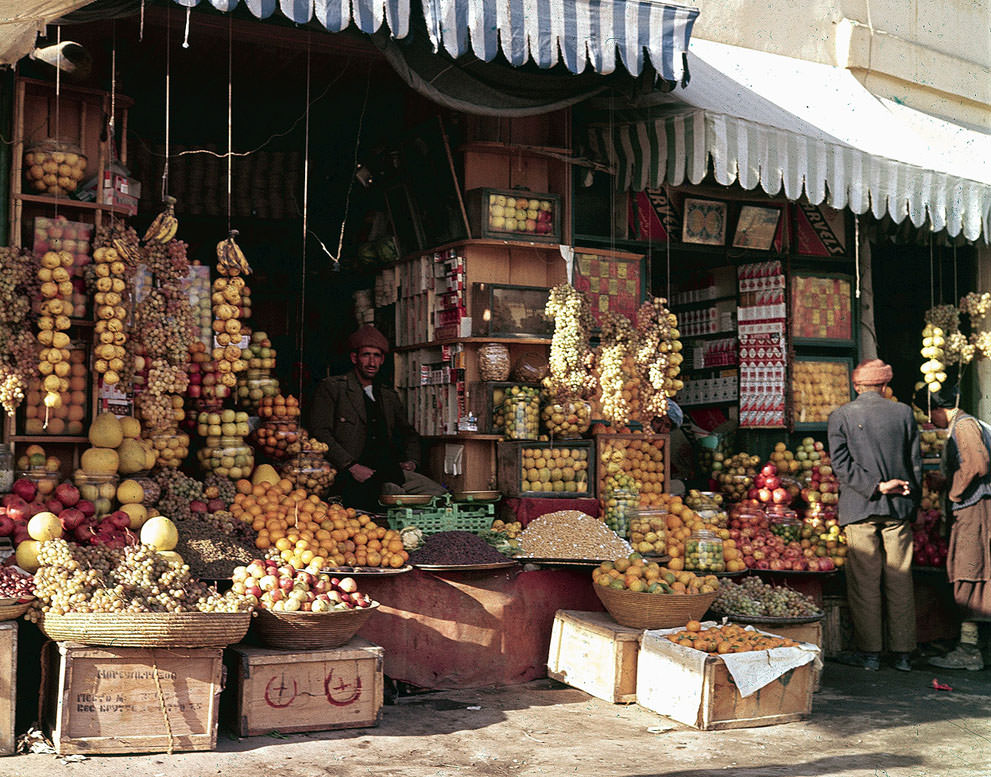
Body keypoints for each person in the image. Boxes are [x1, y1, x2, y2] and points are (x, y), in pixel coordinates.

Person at [827, 358, 921, 672]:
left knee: (865, 581)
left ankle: (870, 654)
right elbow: (915, 463)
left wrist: (876, 486)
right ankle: (904, 653)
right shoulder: (903, 413)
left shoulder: (841, 415)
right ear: (884, 386)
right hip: (898, 508)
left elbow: (841, 467)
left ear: (856, 386)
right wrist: (909, 496)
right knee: (899, 578)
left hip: (860, 507)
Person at [309, 325, 445, 511]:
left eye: (377, 356)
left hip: (390, 470)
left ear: (382, 360)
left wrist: (412, 462)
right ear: (354, 358)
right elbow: (320, 433)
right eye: (366, 355)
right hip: (352, 475)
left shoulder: (388, 395)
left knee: (440, 496)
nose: (372, 362)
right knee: (399, 500)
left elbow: (408, 433)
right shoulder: (333, 388)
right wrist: (351, 465)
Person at [919, 384, 990, 671]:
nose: (928, 421)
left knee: (970, 570)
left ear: (939, 409)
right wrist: (946, 481)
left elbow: (979, 465)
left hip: (976, 511)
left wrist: (954, 492)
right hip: (976, 508)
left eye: (929, 414)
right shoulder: (969, 425)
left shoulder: (963, 425)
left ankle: (969, 649)